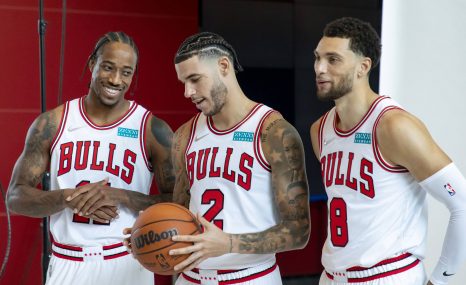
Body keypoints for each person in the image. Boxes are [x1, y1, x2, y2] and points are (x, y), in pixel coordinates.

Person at [6, 31, 175, 285]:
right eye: (108, 67)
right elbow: (15, 197)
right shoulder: (53, 123)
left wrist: (122, 196)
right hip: (68, 262)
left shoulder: (152, 130)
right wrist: (67, 198)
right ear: (91, 64)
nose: (116, 79)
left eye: (126, 72)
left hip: (127, 261)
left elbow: (179, 201)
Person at [309, 17, 466, 285]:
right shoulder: (320, 131)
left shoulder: (393, 126)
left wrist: (440, 280)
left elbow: (461, 203)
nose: (320, 68)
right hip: (333, 277)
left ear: (363, 67)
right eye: (317, 58)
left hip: (386, 276)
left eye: (333, 59)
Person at [169, 32, 310, 284]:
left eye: (195, 79)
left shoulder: (273, 132)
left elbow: (299, 231)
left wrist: (229, 243)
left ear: (223, 66)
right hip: (191, 278)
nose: (187, 92)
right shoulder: (184, 135)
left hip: (250, 277)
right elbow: (177, 218)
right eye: (183, 83)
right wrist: (148, 235)